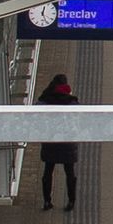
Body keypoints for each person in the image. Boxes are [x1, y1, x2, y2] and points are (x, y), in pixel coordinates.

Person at [37, 72, 80, 212]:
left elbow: (36, 109)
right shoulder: (72, 101)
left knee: (48, 171)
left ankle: (47, 201)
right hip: (67, 141)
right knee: (70, 173)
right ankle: (71, 201)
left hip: (51, 140)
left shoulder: (46, 99)